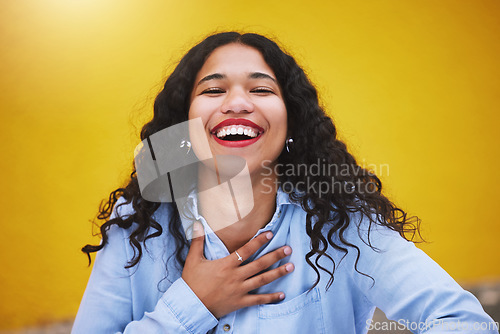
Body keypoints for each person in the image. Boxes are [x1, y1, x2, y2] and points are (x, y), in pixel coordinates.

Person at [72, 32, 498, 334]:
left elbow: (463, 321)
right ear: (184, 128)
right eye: (213, 90)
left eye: (261, 90)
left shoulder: (341, 222)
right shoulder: (137, 224)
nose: (237, 103)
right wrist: (193, 305)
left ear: (290, 122)